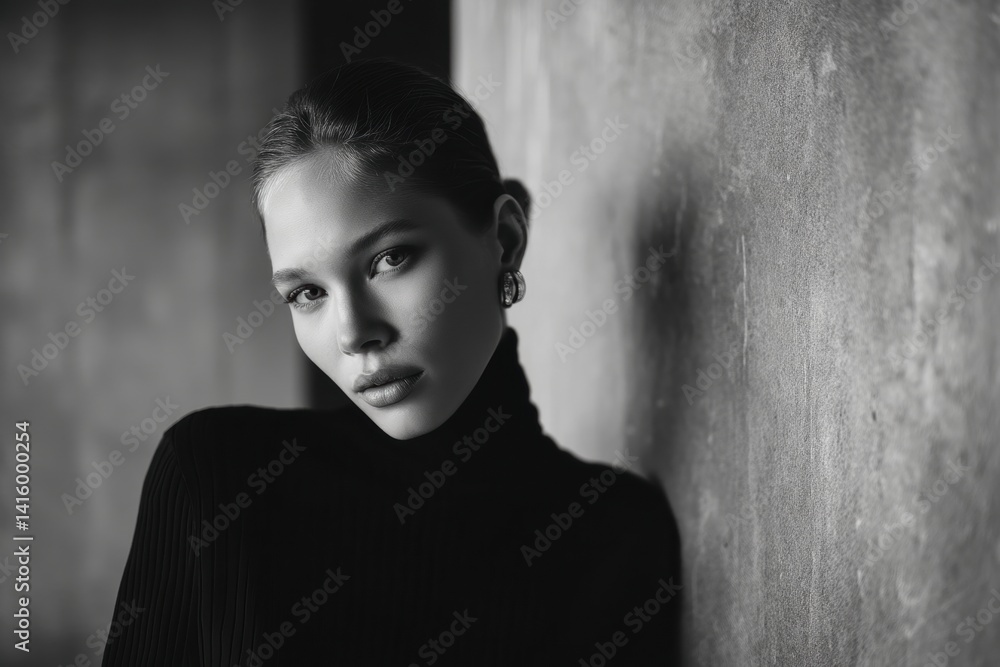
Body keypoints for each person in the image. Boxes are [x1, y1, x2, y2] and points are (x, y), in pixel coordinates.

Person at [102, 57, 681, 666]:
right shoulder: (216, 475)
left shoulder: (614, 536)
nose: (354, 332)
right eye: (308, 293)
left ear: (504, 240)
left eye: (390, 259)